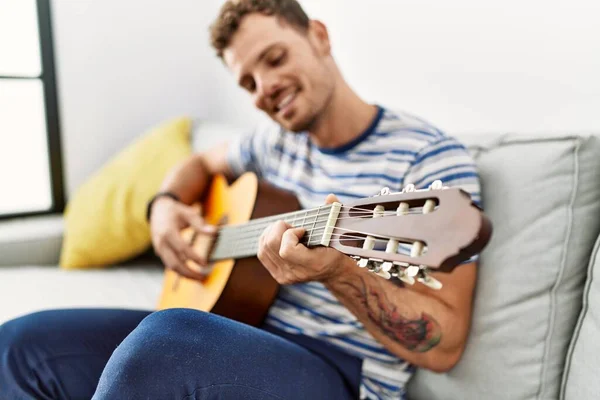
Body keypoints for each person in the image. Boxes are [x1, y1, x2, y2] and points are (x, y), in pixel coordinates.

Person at [0, 1, 482, 399]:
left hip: (339, 372)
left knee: (163, 344)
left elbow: (444, 345)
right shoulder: (273, 143)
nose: (265, 89)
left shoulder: (429, 158)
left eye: (274, 59)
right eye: (247, 83)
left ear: (319, 36)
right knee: (20, 344)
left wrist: (337, 271)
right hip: (236, 328)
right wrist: (165, 206)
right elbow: (201, 163)